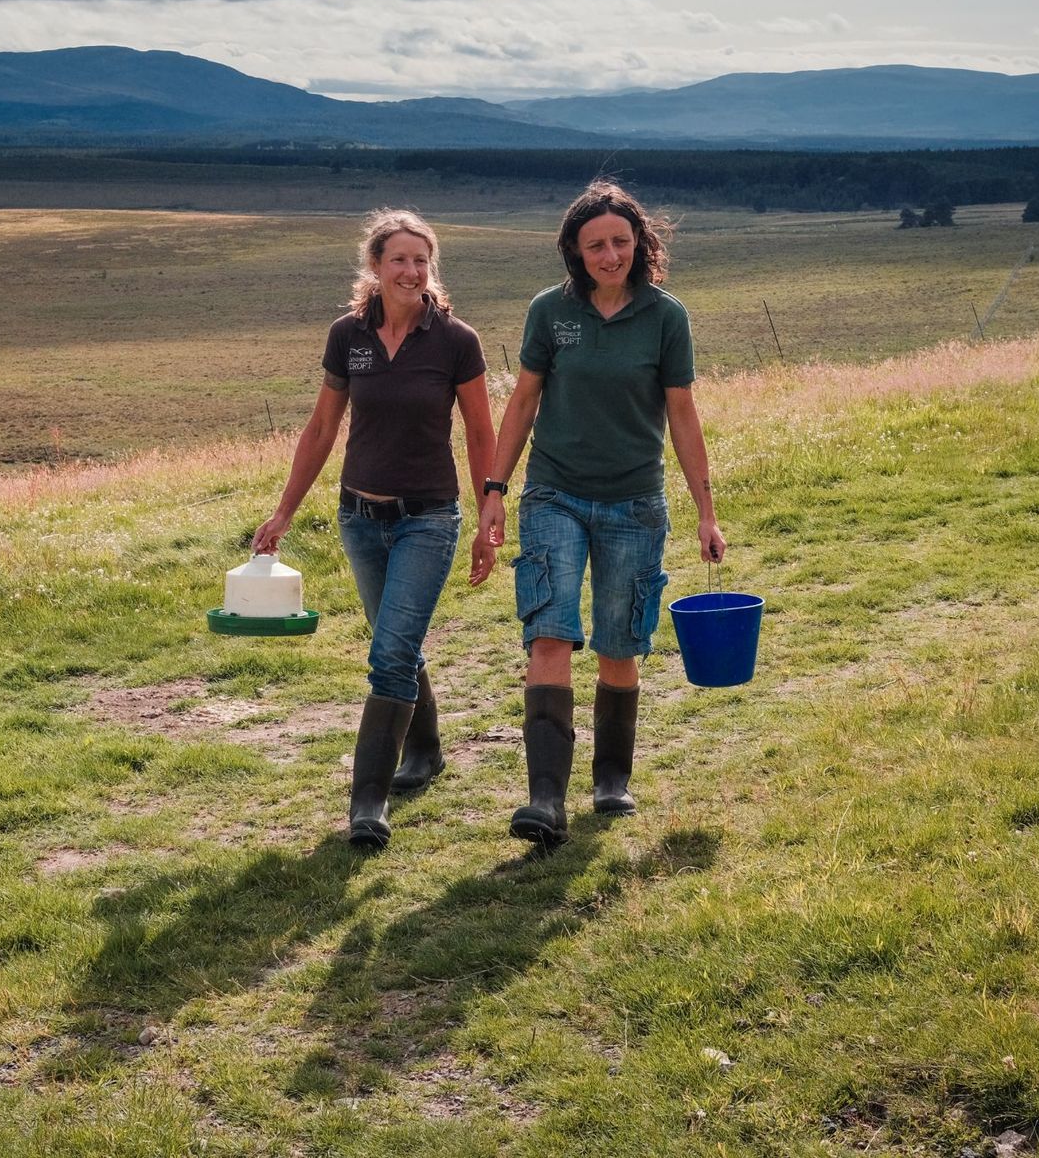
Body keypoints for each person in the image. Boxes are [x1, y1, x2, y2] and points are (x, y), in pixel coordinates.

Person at [478, 180, 724, 847]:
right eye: (596, 245)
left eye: (621, 241)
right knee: (550, 631)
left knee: (620, 642)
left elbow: (682, 413)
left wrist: (706, 511)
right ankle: (544, 801)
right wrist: (494, 488)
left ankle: (612, 778)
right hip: (554, 492)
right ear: (574, 251)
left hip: (635, 501)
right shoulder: (548, 313)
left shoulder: (666, 317)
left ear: (639, 243)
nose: (611, 254)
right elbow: (524, 401)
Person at [254, 210, 497, 850]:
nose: (412, 271)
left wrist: (488, 514)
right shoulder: (348, 336)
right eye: (399, 260)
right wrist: (283, 512)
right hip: (358, 518)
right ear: (375, 266)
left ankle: (368, 802)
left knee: (387, 654)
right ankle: (427, 751)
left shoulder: (456, 341)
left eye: (422, 260)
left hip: (428, 518)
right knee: (399, 643)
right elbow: (320, 430)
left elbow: (479, 432)